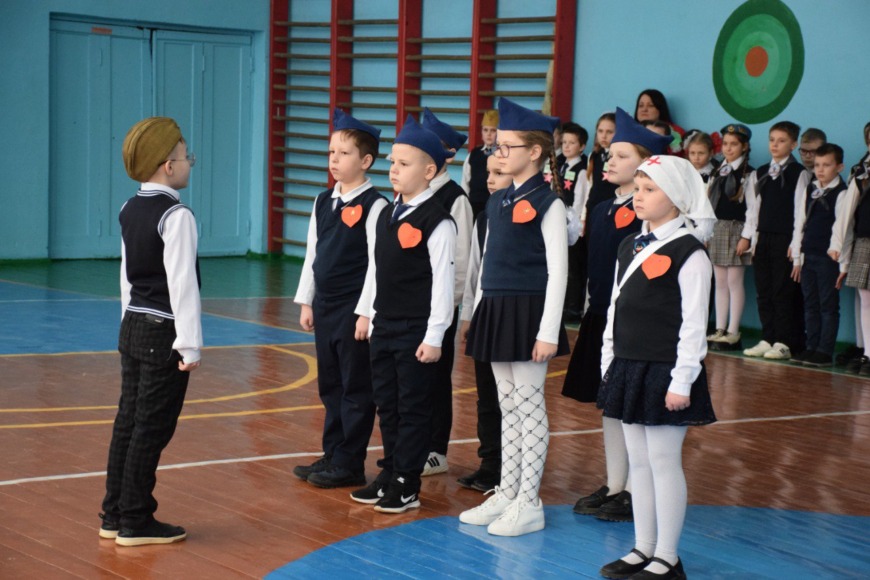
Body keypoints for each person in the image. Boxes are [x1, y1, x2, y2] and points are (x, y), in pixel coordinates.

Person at [598, 155, 717, 580]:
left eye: (650, 190)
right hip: (629, 365)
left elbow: (694, 325)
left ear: (677, 197)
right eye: (638, 188)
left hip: (666, 372)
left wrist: (682, 380)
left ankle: (667, 557)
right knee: (639, 463)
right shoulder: (630, 244)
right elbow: (615, 308)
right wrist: (609, 361)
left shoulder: (690, 252)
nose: (639, 197)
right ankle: (643, 547)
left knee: (664, 462)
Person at [458, 97, 569, 537]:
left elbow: (559, 272)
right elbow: (488, 262)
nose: (498, 154)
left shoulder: (549, 203)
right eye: (496, 146)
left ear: (535, 152)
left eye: (506, 147)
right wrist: (478, 310)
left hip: (529, 313)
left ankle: (529, 501)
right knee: (506, 406)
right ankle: (507, 491)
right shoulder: (499, 201)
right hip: (498, 309)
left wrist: (548, 331)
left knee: (529, 404)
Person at [562, 107, 672, 524]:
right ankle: (614, 484)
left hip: (634, 323)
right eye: (611, 153)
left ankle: (634, 490)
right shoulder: (604, 208)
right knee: (608, 405)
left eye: (622, 155)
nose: (610, 159)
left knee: (631, 407)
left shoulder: (651, 217)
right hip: (602, 316)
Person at [101, 117, 201, 546]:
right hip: (164, 334)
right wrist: (190, 344)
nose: (189, 162)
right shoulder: (176, 215)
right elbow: (182, 285)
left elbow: (128, 277)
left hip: (133, 326)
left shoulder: (130, 208)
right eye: (185, 156)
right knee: (151, 427)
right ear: (168, 165)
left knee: (128, 422)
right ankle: (136, 520)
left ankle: (114, 513)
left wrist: (127, 320)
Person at [349, 115, 456, 513]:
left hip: (416, 330)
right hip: (385, 326)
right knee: (388, 405)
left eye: (404, 164)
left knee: (413, 408)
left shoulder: (438, 221)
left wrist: (434, 336)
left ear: (429, 171)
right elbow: (376, 271)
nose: (394, 169)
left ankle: (407, 483)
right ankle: (391, 472)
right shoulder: (387, 213)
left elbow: (443, 285)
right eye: (392, 162)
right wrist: (367, 314)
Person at [292, 109, 386, 488]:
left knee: (355, 387)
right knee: (330, 384)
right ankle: (332, 452)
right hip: (326, 307)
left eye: (344, 153)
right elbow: (312, 254)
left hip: (353, 310)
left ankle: (350, 461)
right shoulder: (323, 201)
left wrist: (366, 313)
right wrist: (307, 301)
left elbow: (378, 265)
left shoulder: (376, 205)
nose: (334, 159)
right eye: (331, 152)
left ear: (366, 161)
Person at [419, 107, 474, 477]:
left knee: (436, 380)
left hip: (438, 309)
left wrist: (449, 311)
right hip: (408, 306)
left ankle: (435, 450)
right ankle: (411, 445)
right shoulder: (408, 194)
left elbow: (462, 261)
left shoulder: (456, 199)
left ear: (447, 154)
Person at [456, 155, 513, 493]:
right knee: (486, 398)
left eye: (499, 173)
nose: (489, 179)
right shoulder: (484, 218)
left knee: (509, 398)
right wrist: (468, 315)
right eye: (488, 173)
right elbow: (473, 271)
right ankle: (490, 463)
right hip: (484, 318)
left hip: (511, 318)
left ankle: (511, 467)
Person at [742, 121, 811, 360]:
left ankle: (784, 341)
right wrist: (752, 239)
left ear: (793, 145)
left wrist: (796, 243)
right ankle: (768, 337)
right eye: (772, 140)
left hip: (785, 239)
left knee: (783, 292)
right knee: (764, 290)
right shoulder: (760, 172)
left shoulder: (799, 173)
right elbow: (753, 209)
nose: (775, 145)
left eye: (781, 141)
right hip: (763, 238)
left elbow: (800, 212)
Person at [790, 143, 848, 367]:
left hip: (828, 258)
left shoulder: (841, 192)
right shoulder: (810, 188)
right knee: (810, 304)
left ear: (839, 167)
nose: (820, 170)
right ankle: (811, 347)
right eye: (817, 165)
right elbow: (800, 222)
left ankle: (824, 351)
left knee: (827, 305)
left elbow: (842, 228)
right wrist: (797, 256)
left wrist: (840, 261)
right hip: (808, 255)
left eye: (826, 165)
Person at [706, 124, 754, 351]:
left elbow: (753, 209)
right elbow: (708, 203)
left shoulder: (749, 173)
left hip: (737, 229)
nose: (728, 148)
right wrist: (707, 231)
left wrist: (746, 237)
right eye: (725, 144)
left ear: (744, 146)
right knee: (720, 282)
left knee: (734, 281)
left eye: (734, 144)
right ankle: (720, 328)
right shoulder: (717, 171)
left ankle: (733, 331)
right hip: (717, 229)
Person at [831, 126, 870, 375]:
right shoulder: (861, 172)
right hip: (865, 241)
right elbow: (846, 214)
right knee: (865, 299)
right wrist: (838, 247)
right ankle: (867, 353)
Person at [558, 122, 590, 322]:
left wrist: (576, 223)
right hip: (559, 220)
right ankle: (562, 305)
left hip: (572, 224)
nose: (566, 146)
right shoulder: (560, 165)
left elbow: (580, 199)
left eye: (572, 143)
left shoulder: (582, 169)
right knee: (561, 265)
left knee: (573, 268)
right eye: (564, 142)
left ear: (582, 146)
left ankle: (573, 308)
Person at [462, 109, 499, 219]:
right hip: (474, 206)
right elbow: (465, 182)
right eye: (485, 130)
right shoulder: (473, 154)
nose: (488, 134)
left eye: (493, 130)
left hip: (495, 205)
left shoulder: (503, 155)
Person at [584, 113, 619, 222]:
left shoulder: (619, 157)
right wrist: (583, 215)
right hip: (592, 207)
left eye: (609, 132)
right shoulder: (594, 156)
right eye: (600, 131)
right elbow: (589, 185)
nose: (604, 136)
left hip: (610, 209)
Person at [633, 89, 685, 155]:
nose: (644, 109)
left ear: (660, 109)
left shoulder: (677, 132)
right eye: (641, 106)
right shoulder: (628, 130)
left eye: (650, 105)